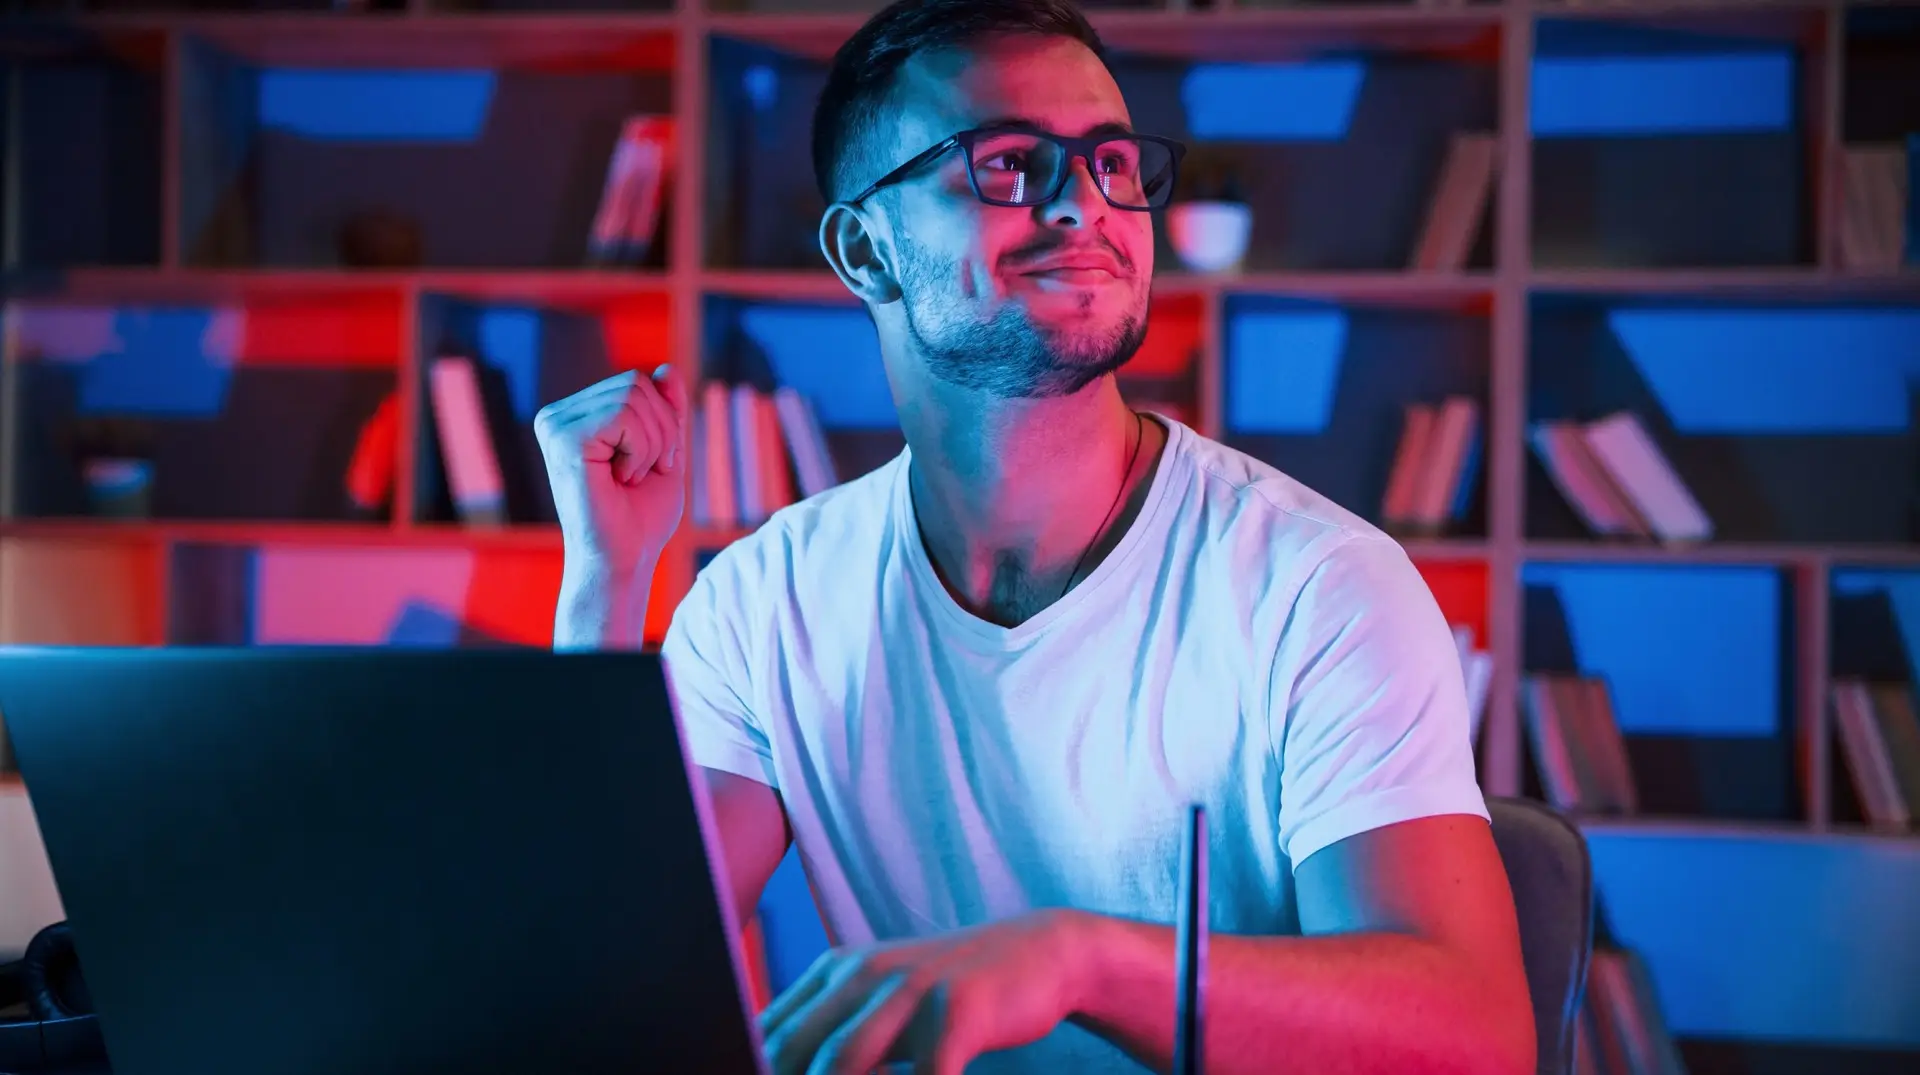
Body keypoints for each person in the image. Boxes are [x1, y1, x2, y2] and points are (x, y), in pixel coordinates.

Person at [534, 0, 1534, 1071]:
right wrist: (606, 579)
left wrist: (1076, 961)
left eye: (1111, 162)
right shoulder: (763, 601)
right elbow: (588, 979)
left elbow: (1473, 1037)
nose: (1084, 207)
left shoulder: (1317, 585)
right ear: (864, 250)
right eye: (1008, 165)